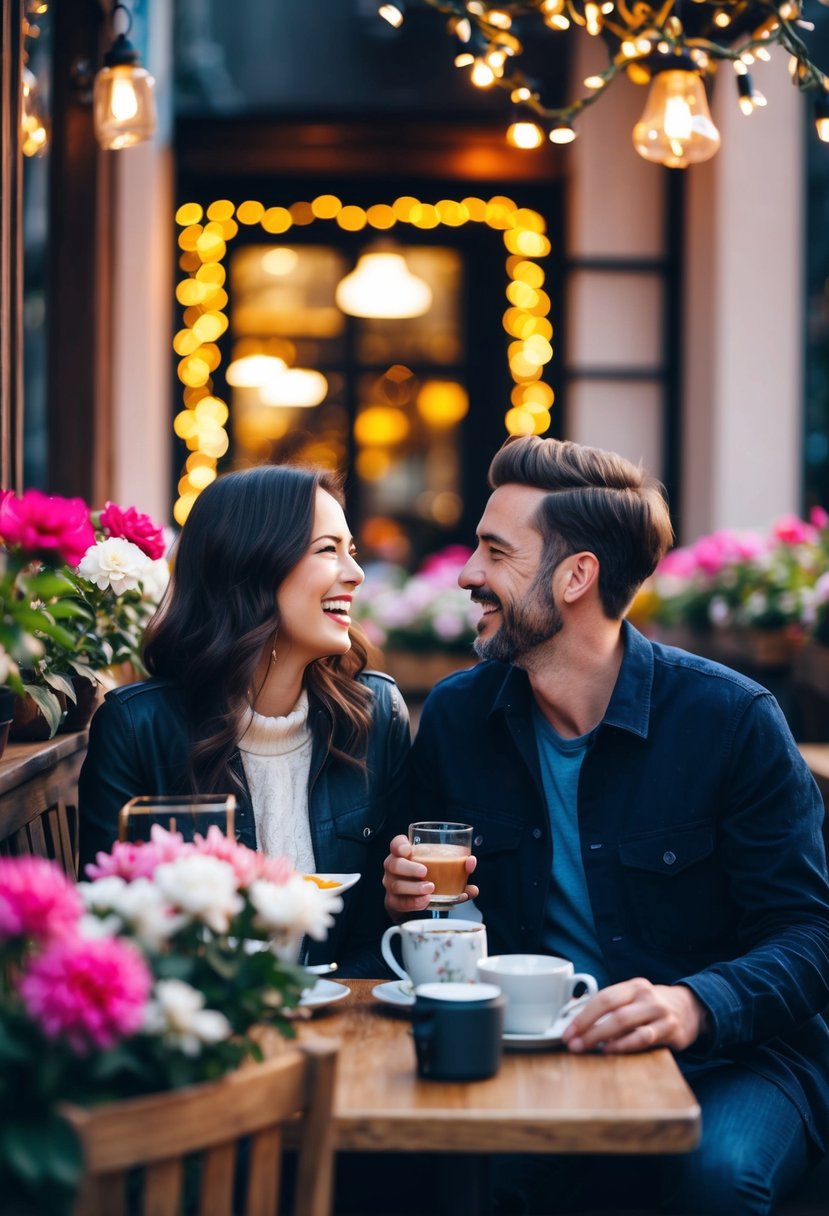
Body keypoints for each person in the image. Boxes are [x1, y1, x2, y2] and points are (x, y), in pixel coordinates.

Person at [383, 435, 829, 1214]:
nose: (466, 574)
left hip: (734, 1054)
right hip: (532, 1049)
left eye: (494, 551)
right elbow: (439, 919)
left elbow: (808, 936)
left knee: (715, 1175)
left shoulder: (731, 720)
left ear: (575, 577)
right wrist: (407, 898)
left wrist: (694, 1004)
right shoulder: (457, 717)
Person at [79, 464, 410, 975]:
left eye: (352, 551)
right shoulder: (136, 729)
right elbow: (110, 932)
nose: (355, 573)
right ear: (250, 564)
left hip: (343, 1022)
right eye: (327, 549)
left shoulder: (374, 716)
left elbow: (386, 931)